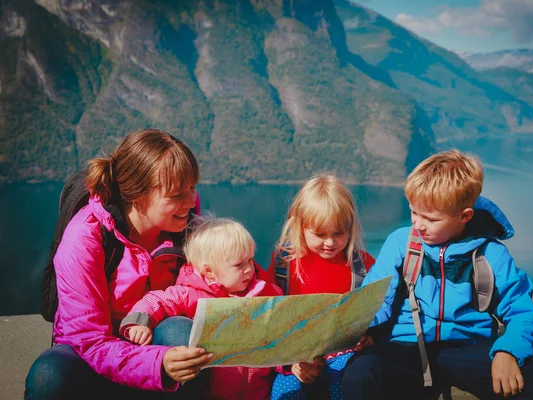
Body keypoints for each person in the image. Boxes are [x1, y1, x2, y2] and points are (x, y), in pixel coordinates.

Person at [341, 150, 533, 399]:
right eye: (414, 212)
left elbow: (524, 314)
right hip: (405, 346)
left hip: (469, 346)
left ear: (464, 216)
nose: (418, 224)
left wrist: (508, 352)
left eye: (430, 218)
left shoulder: (491, 254)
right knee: (360, 374)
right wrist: (361, 328)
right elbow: (374, 300)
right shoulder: (401, 243)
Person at [25, 129, 212, 400]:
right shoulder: (86, 237)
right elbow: (88, 339)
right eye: (175, 195)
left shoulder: (185, 224)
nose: (189, 201)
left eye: (192, 188)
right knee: (49, 374)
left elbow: (209, 288)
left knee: (183, 334)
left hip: (152, 345)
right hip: (90, 356)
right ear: (137, 196)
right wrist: (158, 364)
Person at [120, 216, 283, 400]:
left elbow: (281, 336)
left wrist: (288, 364)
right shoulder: (192, 293)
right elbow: (158, 300)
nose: (248, 269)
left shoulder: (267, 294)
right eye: (239, 264)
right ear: (209, 271)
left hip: (259, 392)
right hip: (213, 393)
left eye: (250, 260)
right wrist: (139, 321)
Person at [258, 174, 376, 400]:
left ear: (350, 227)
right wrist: (290, 364)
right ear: (300, 226)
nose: (330, 242)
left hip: (345, 355)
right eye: (320, 234)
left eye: (338, 233)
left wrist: (371, 336)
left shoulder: (362, 266)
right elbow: (269, 318)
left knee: (346, 386)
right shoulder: (284, 264)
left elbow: (377, 309)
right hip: (296, 358)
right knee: (284, 393)